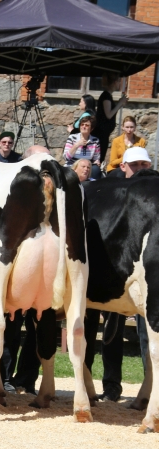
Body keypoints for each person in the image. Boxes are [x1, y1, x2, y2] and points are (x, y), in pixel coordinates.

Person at [84, 146, 153, 402]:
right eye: (134, 165)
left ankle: (139, 386)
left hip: (137, 273)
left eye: (144, 165)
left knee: (145, 331)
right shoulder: (106, 190)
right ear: (122, 166)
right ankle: (96, 383)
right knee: (92, 326)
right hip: (106, 271)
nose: (140, 169)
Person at [93, 73, 129, 162]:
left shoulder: (108, 96)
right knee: (99, 158)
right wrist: (120, 103)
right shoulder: (106, 96)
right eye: (119, 81)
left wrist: (120, 103)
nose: (119, 84)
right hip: (100, 133)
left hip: (104, 133)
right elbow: (108, 114)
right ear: (114, 82)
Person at [63, 115, 102, 180]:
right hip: (72, 165)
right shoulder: (72, 138)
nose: (84, 126)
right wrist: (77, 145)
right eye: (82, 125)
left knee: (96, 169)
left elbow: (96, 159)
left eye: (87, 125)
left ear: (91, 129)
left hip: (86, 167)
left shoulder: (95, 141)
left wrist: (97, 162)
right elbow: (66, 157)